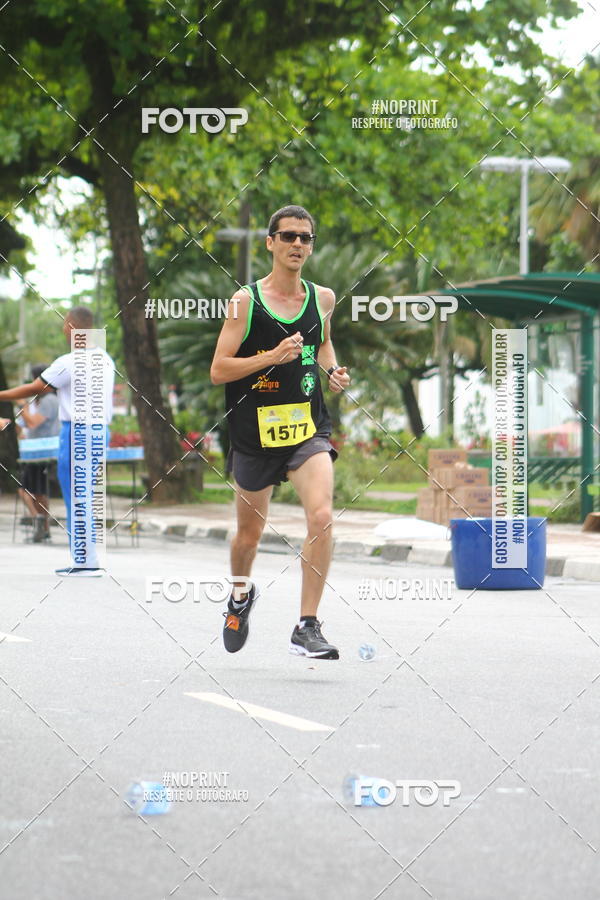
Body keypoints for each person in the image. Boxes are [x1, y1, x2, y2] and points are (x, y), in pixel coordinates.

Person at [210, 204, 350, 659]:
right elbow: (218, 370)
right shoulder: (245, 302)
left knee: (322, 516)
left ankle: (307, 626)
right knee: (248, 538)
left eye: (305, 237)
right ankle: (239, 595)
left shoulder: (322, 298)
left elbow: (322, 342)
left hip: (307, 426)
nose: (297, 244)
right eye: (288, 236)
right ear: (270, 243)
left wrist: (332, 371)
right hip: (254, 433)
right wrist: (270, 357)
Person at [0, 307, 115, 576]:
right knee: (84, 494)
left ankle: (85, 562)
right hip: (100, 431)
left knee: (77, 495)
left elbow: (35, 387)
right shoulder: (105, 359)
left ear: (72, 327)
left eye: (64, 325)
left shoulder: (69, 361)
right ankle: (86, 559)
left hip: (78, 432)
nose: (63, 330)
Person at [16, 364, 60, 542]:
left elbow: (33, 422)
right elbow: (24, 425)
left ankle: (39, 519)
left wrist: (22, 407)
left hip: (43, 451)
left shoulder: (50, 400)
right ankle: (43, 526)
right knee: (36, 491)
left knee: (27, 490)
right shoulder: (38, 400)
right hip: (33, 451)